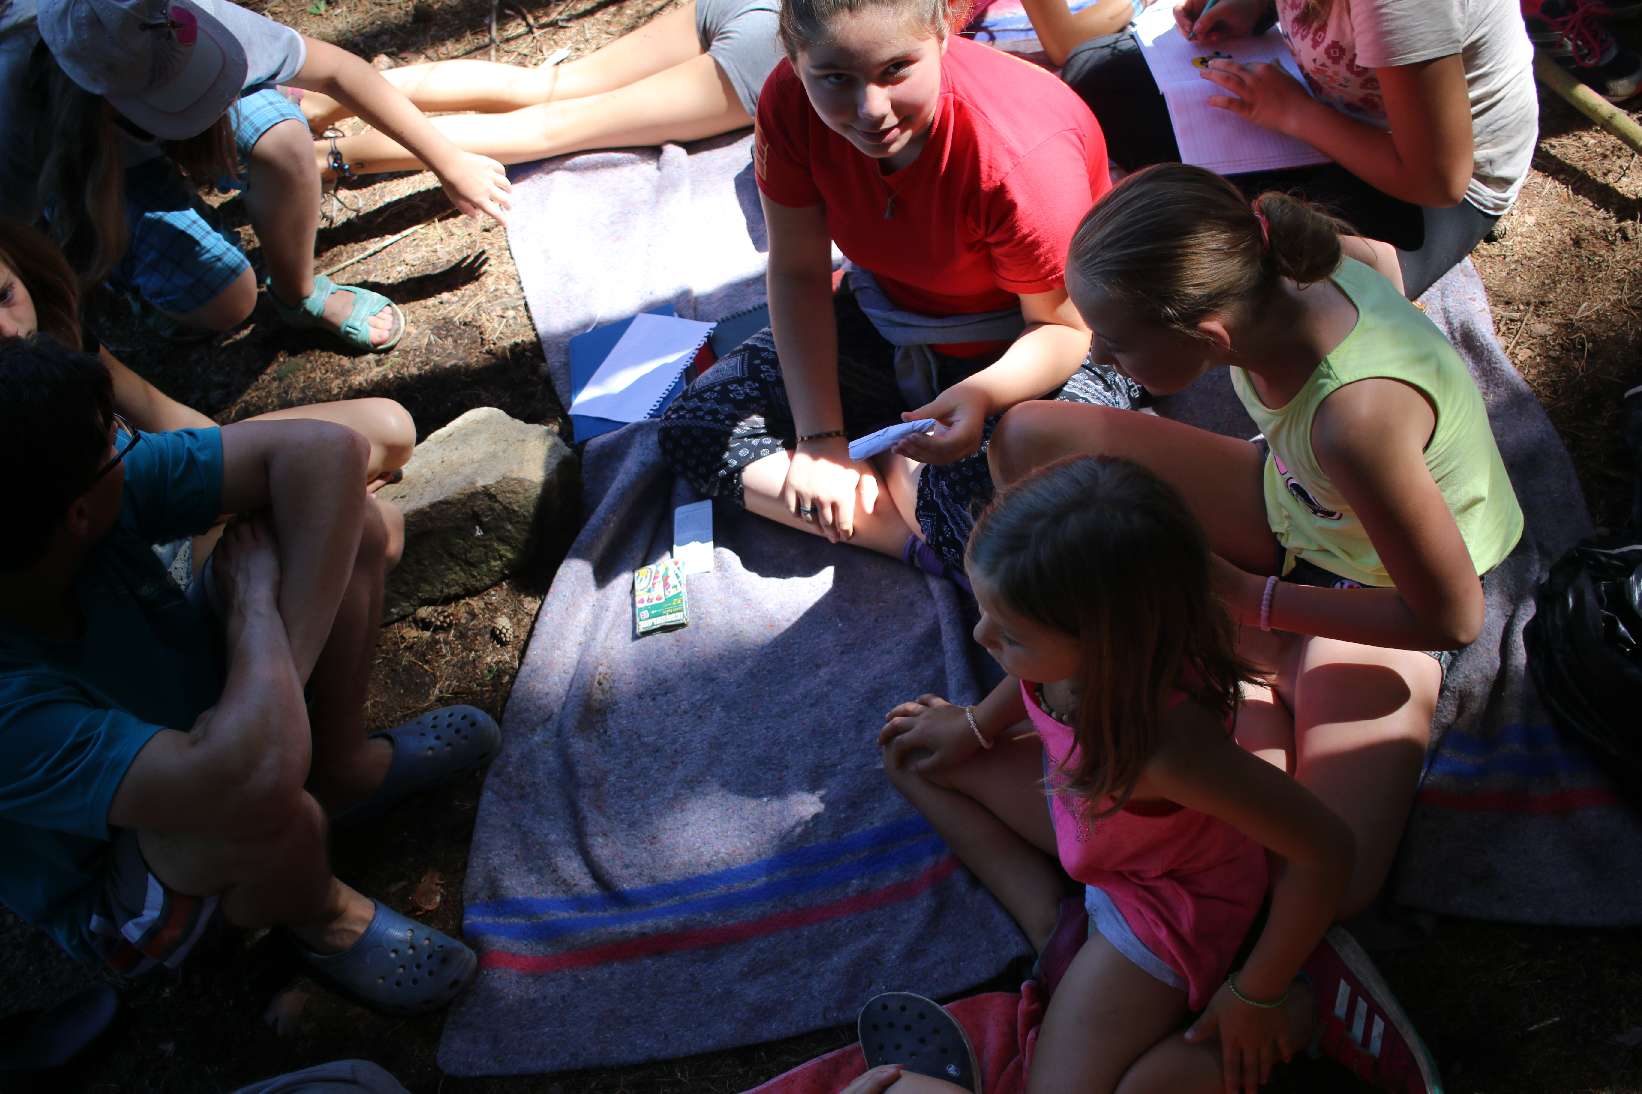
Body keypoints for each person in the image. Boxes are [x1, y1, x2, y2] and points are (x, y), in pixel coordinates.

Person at [982, 163, 1523, 1085]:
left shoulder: (1355, 421)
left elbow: (1452, 614)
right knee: (1028, 437)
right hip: (1300, 506)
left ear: (1209, 337)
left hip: (1381, 592)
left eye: (1117, 343)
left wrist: (1253, 604)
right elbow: (1383, 264)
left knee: (1321, 872)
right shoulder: (1292, 254)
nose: (1101, 358)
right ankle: (1219, 670)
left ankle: (1300, 988)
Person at [0, 336, 501, 1014]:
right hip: (129, 877)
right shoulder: (10, 708)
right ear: (78, 514)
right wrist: (253, 609)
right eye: (113, 441)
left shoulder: (54, 504)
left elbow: (325, 453)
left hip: (204, 734)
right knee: (260, 803)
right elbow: (244, 779)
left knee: (356, 525)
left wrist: (274, 695)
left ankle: (338, 772)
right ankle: (325, 917)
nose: (127, 443)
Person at [879, 455, 1400, 1093]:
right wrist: (975, 725)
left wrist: (1257, 993)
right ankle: (1060, 932)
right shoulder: (1080, 656)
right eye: (985, 608)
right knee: (913, 756)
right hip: (1094, 833)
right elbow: (1033, 678)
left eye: (1009, 633)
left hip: (1167, 909)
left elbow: (1326, 848)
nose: (981, 634)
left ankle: (1305, 1010)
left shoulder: (1170, 750)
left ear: (1106, 644)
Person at [657, 0, 1130, 577]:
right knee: (698, 423)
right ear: (794, 61)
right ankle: (908, 535)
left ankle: (905, 495)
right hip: (895, 316)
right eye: (835, 78)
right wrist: (821, 440)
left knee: (1033, 535)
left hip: (1036, 352)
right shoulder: (790, 102)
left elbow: (1063, 329)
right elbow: (799, 272)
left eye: (896, 70)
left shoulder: (1017, 152)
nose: (870, 109)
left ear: (943, 32)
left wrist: (979, 395)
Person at [2, 0, 511, 351]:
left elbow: (338, 70)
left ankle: (297, 292)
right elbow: (13, 245)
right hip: (89, 169)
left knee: (285, 141)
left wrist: (448, 161)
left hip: (128, 132)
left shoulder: (159, 17)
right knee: (225, 301)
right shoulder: (13, 115)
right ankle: (137, 278)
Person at [1055, 0, 1538, 299]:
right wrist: (1254, 7)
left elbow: (1438, 180)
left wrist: (1296, 114)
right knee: (1094, 74)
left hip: (1428, 181)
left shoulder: (1402, 7)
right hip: (1323, 112)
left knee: (1286, 282)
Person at [0, 217, 414, 553]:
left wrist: (259, 483)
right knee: (370, 529)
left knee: (390, 429)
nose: (6, 330)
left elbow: (162, 416)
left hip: (155, 483)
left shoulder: (57, 336)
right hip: (132, 553)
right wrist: (287, 493)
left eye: (4, 295)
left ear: (23, 270)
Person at [301, 0, 784, 176]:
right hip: (778, 45)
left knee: (541, 86)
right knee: (551, 128)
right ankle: (320, 160)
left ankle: (319, 105)